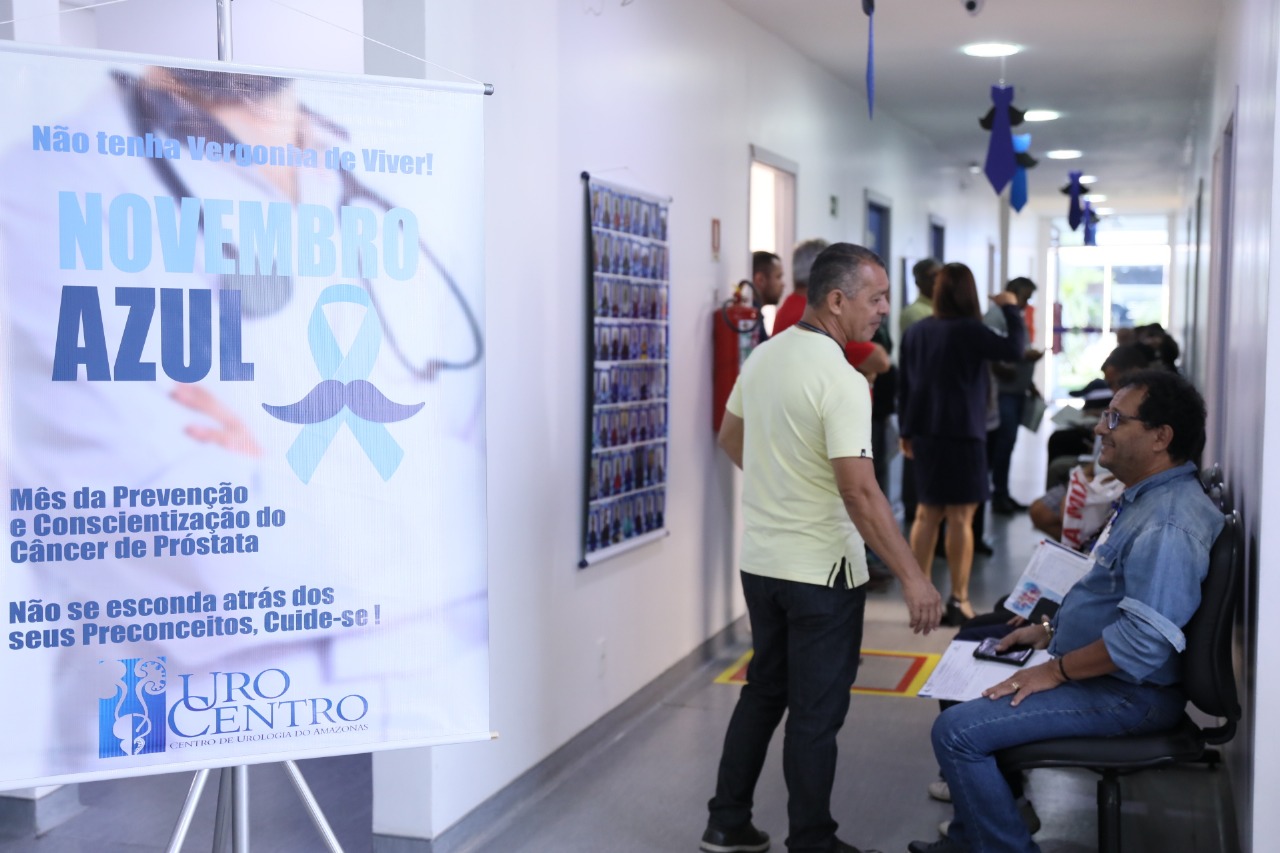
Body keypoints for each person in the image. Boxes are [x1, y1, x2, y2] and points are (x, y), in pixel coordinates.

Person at [0, 60, 487, 776]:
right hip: (176, 725)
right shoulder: (50, 189)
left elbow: (491, 494)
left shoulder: (383, 184)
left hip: (424, 696)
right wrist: (422, 493)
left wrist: (271, 465)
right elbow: (188, 536)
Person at [908, 369, 1224, 853]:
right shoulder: (1149, 498)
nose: (1101, 428)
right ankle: (974, 838)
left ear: (1162, 437)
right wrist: (1048, 630)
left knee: (957, 732)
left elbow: (1142, 645)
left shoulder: (1167, 523)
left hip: (1129, 695)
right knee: (970, 662)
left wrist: (1053, 671)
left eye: (1116, 418)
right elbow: (1113, 595)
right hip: (1108, 677)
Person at [702, 243, 942, 853]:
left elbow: (732, 438)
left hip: (763, 564)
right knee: (815, 715)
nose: (884, 309)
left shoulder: (766, 357)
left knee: (763, 692)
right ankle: (812, 840)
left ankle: (726, 822)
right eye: (875, 297)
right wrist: (913, 576)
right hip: (823, 574)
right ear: (836, 300)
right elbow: (860, 493)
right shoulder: (841, 378)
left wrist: (782, 485)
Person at [898, 264, 1025, 624]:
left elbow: (906, 384)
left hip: (925, 433)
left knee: (926, 513)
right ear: (969, 293)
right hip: (965, 434)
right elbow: (1015, 348)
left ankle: (919, 598)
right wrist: (1011, 308)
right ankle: (960, 599)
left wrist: (906, 430)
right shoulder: (970, 331)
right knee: (960, 518)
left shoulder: (918, 332)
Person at [983, 277, 1043, 514]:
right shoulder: (996, 316)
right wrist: (1015, 360)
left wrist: (1029, 383)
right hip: (1002, 393)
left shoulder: (1015, 316)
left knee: (1007, 445)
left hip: (1017, 390)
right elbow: (991, 353)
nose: (1026, 303)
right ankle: (997, 496)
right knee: (1001, 445)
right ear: (1011, 292)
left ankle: (1003, 493)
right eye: (1024, 297)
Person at [899, 258, 942, 526]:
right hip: (921, 401)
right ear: (919, 282)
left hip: (938, 405)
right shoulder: (916, 314)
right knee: (916, 469)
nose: (939, 282)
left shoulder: (940, 313)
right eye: (933, 276)